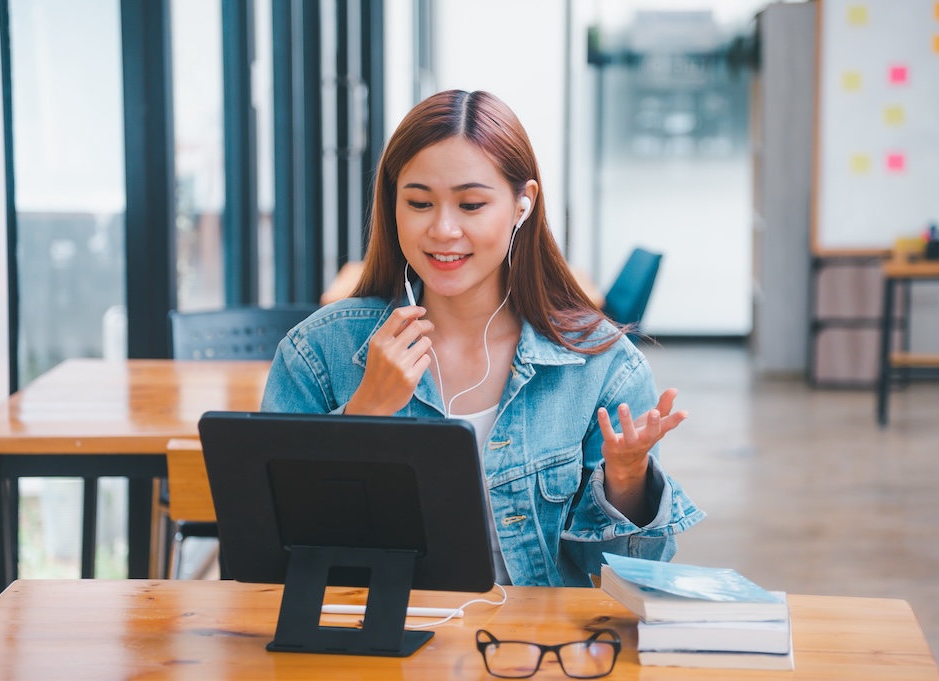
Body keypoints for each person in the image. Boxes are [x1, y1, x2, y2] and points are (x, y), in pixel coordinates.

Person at [261, 89, 704, 587]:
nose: (444, 229)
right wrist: (365, 414)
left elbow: (621, 577)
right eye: (419, 202)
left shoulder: (602, 366)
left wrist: (626, 480)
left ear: (522, 204)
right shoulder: (318, 353)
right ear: (393, 205)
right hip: (377, 646)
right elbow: (273, 547)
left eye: (471, 204)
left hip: (531, 654)